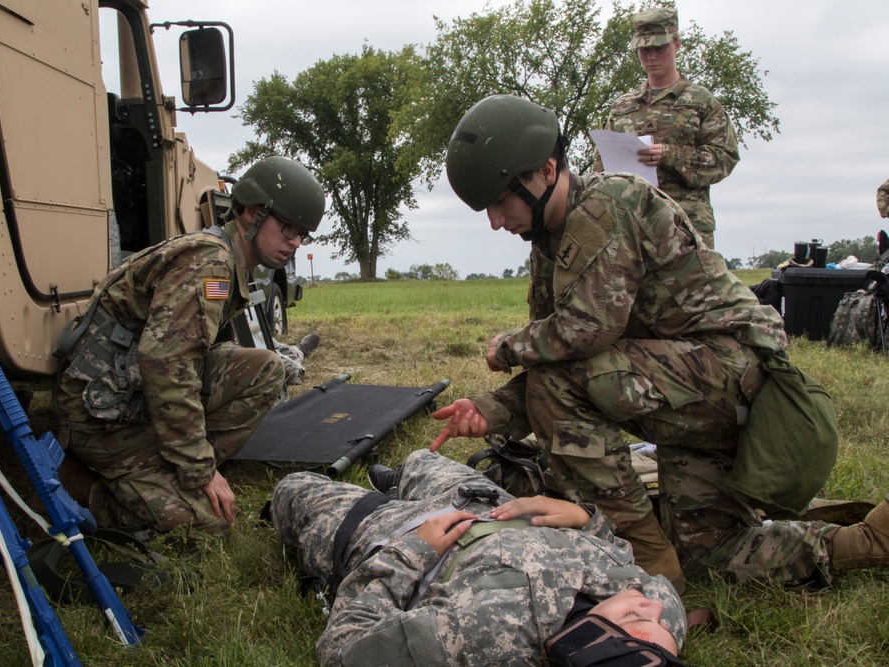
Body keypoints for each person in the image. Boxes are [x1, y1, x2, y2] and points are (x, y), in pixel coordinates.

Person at [432, 93, 889, 590]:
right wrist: (488, 409)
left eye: (501, 201)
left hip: (730, 378)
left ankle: (642, 558)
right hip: (692, 398)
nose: (497, 221)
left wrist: (506, 347)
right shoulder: (549, 242)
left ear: (545, 170)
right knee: (710, 553)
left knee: (563, 381)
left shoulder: (610, 205)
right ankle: (869, 542)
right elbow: (557, 366)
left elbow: (585, 334)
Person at [53, 156, 325, 534]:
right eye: (288, 229)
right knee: (205, 525)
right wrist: (201, 470)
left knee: (267, 369)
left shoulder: (226, 258)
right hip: (101, 417)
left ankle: (170, 471)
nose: (294, 243)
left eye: (301, 235)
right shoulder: (209, 262)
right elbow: (167, 365)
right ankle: (77, 485)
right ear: (252, 213)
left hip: (131, 393)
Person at [270, 448, 689, 666]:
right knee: (421, 458)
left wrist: (411, 551)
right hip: (483, 501)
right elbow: (622, 558)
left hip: (391, 533)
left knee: (292, 487)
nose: (650, 605)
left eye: (636, 620)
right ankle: (402, 478)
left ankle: (382, 499)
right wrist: (585, 520)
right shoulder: (661, 618)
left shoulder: (474, 641)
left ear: (583, 648)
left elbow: (343, 650)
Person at [592, 7, 739, 249]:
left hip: (686, 225)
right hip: (633, 225)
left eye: (659, 48)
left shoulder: (701, 102)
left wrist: (669, 155)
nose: (651, 57)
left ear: (677, 44)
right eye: (644, 50)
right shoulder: (622, 106)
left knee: (693, 288)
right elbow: (600, 168)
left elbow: (725, 158)